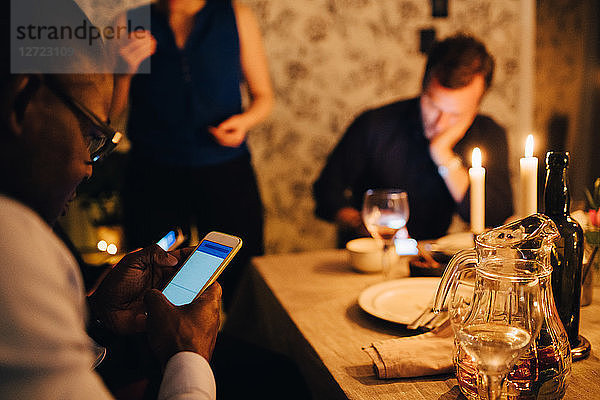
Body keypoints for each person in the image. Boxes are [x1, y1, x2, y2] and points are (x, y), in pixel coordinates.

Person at [0, 2, 221, 398]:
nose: (88, 168)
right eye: (90, 135)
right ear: (22, 103)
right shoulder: (10, 246)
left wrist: (96, 317)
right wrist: (188, 356)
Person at [112, 0, 274, 309]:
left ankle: (234, 350)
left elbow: (264, 97)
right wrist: (124, 72)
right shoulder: (128, 22)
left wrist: (244, 122)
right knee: (153, 279)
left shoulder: (235, 16)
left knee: (241, 275)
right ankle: (165, 355)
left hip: (225, 170)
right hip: (152, 174)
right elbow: (109, 113)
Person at [313, 33, 514, 246]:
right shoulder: (375, 125)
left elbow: (496, 216)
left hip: (437, 260)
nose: (440, 122)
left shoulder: (489, 133)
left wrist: (442, 155)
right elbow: (326, 193)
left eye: (456, 114)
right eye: (433, 106)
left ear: (476, 107)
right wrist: (361, 223)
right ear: (423, 87)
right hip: (374, 254)